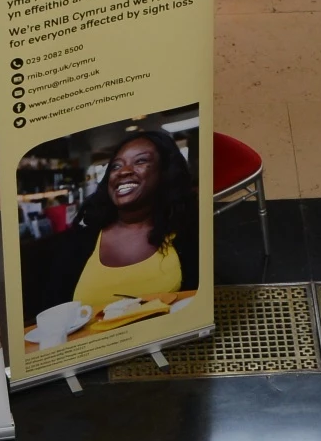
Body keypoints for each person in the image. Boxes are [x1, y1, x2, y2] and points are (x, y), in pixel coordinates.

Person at [35, 123, 199, 319]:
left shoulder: (188, 234)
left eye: (140, 161)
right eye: (116, 166)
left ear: (165, 173)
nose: (123, 171)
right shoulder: (78, 243)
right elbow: (50, 315)